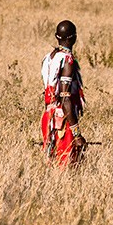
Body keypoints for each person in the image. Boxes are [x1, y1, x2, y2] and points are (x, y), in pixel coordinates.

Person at [39, 20, 86, 166]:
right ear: (74, 38)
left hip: (49, 118)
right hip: (63, 119)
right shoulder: (67, 60)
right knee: (67, 166)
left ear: (56, 36)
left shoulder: (48, 58)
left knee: (52, 161)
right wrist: (77, 134)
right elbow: (65, 98)